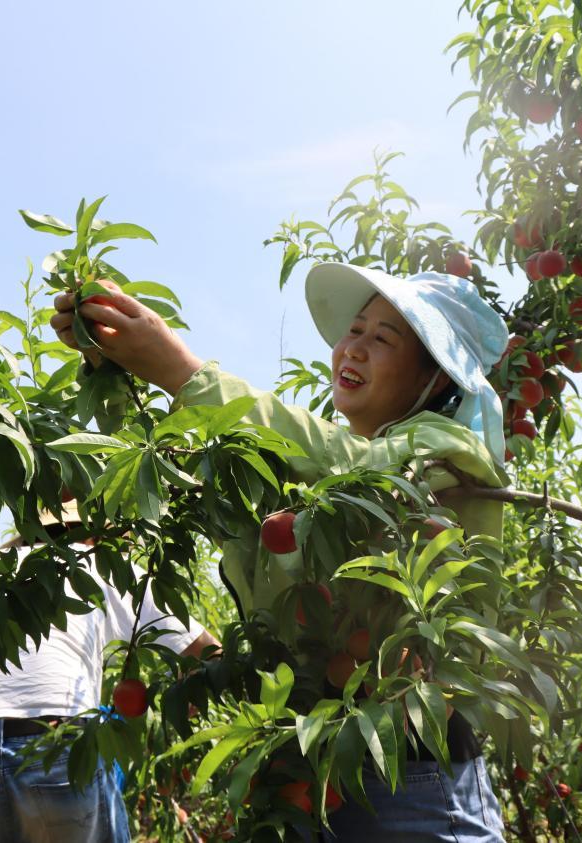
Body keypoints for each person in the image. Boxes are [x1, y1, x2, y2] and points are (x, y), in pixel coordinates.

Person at [50, 263, 510, 841]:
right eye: (356, 329)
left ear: (437, 380)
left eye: (384, 338)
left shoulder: (448, 453)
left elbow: (356, 465)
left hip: (413, 780)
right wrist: (124, 371)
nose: (354, 348)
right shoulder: (327, 489)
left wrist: (183, 372)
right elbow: (263, 513)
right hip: (320, 775)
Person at [0, 503, 220, 843]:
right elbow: (209, 651)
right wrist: (186, 691)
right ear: (93, 534)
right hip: (55, 741)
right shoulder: (99, 565)